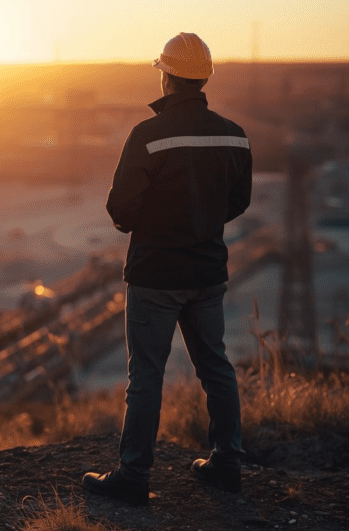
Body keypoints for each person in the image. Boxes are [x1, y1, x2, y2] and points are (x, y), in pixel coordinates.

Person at [82, 32, 252, 505]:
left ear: (167, 76)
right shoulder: (234, 134)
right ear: (203, 79)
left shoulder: (148, 136)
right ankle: (227, 465)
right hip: (207, 273)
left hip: (155, 275)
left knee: (147, 376)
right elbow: (238, 201)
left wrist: (159, 224)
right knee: (216, 367)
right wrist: (199, 221)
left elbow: (121, 209)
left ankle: (134, 477)